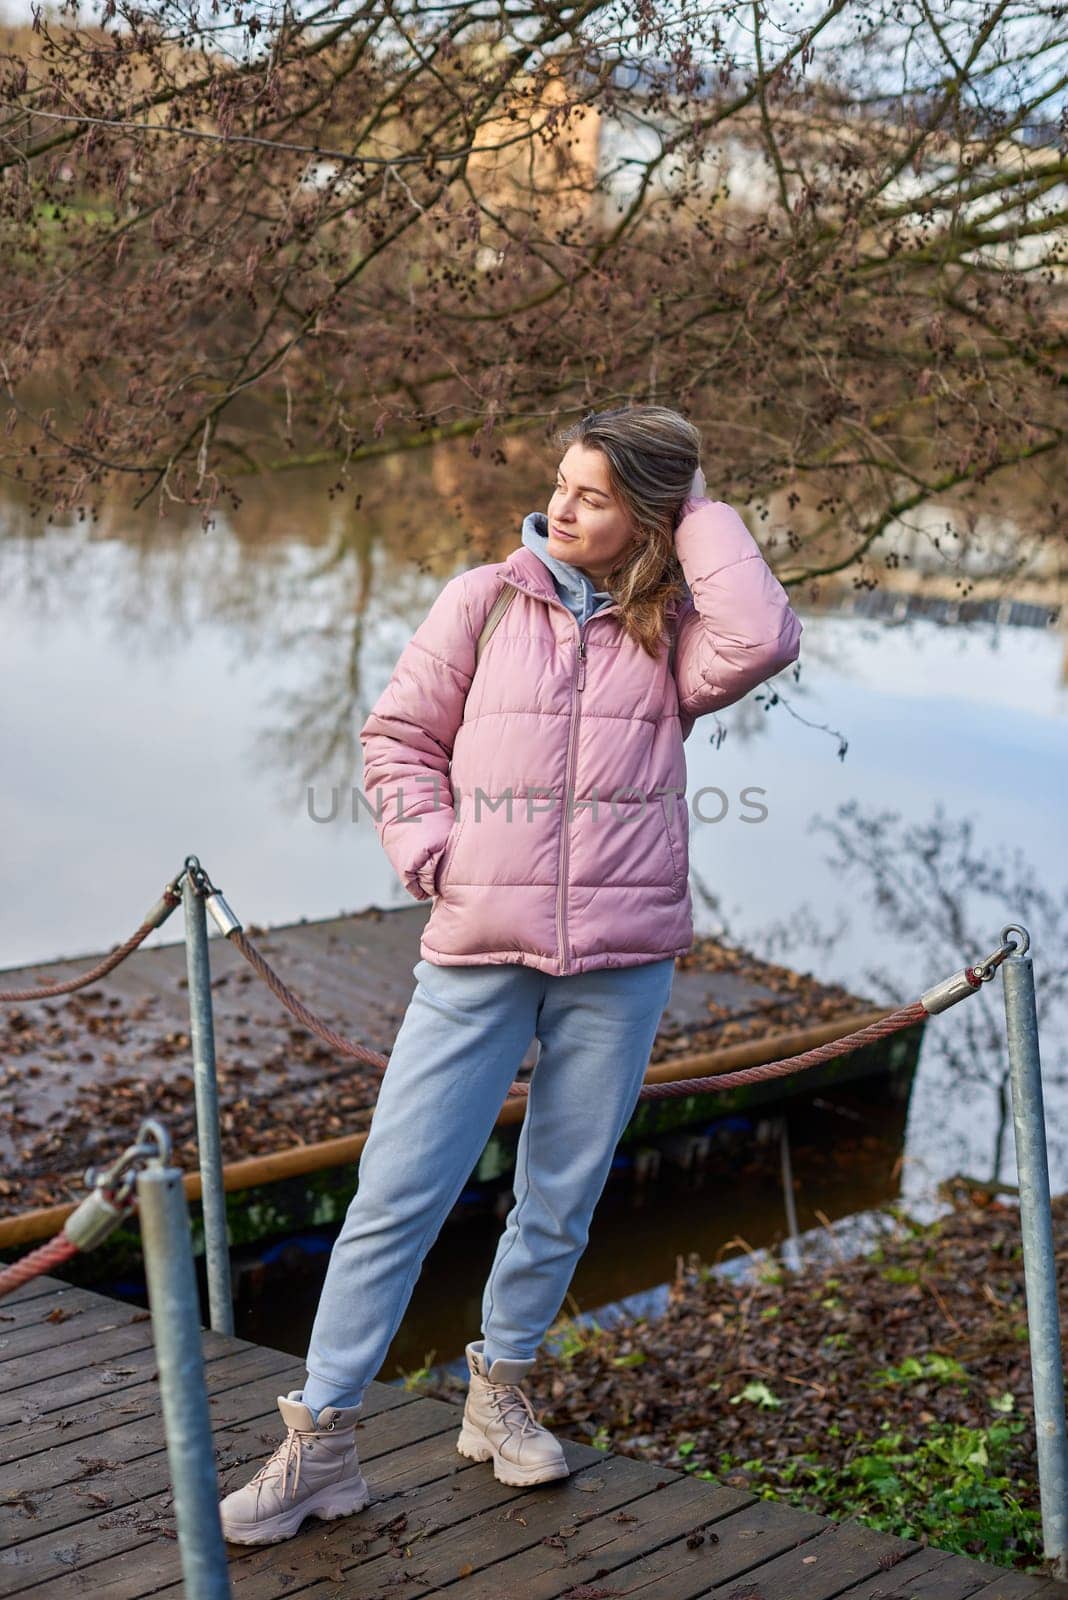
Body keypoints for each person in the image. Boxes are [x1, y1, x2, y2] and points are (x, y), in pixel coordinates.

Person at [218, 404, 803, 1545]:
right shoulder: (482, 599)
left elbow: (768, 635)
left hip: (622, 961)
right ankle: (321, 1439)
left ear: (651, 513)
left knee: (562, 1196)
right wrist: (436, 851)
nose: (563, 505)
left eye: (596, 493)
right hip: (480, 948)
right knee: (396, 1195)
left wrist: (697, 509)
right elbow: (396, 737)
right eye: (563, 484)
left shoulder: (674, 628)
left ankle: (501, 1392)